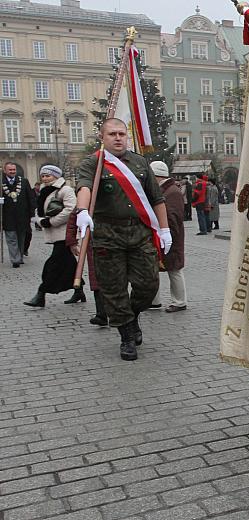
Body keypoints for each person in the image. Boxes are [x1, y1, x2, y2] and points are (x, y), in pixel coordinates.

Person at [74, 118, 172, 361]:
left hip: (139, 234)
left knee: (149, 285)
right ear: (102, 137)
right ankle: (127, 336)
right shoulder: (93, 163)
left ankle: (132, 315)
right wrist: (83, 211)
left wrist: (165, 230)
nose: (118, 138)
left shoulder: (139, 162)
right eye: (112, 134)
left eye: (121, 134)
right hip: (108, 236)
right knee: (113, 289)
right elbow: (84, 187)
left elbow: (157, 198)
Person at [23, 165, 77, 307]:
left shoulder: (65, 190)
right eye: (43, 176)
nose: (45, 178)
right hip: (54, 232)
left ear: (56, 176)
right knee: (70, 263)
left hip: (65, 233)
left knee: (52, 265)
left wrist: (50, 222)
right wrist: (41, 221)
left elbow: (71, 210)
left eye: (48, 175)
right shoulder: (44, 190)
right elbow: (39, 210)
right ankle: (79, 290)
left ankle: (41, 294)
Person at [150, 161, 187, 313]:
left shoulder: (171, 192)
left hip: (170, 236)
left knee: (174, 269)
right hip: (162, 235)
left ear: (156, 176)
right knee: (154, 268)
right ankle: (154, 300)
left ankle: (179, 302)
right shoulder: (165, 190)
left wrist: (166, 233)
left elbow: (172, 217)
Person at [65, 211, 106, 325]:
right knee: (96, 277)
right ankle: (101, 313)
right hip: (95, 241)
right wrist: (71, 241)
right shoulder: (88, 193)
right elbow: (75, 214)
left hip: (117, 240)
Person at [2, 162, 36, 267]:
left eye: (14, 170)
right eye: (10, 170)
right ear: (5, 171)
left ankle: (20, 256)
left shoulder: (24, 182)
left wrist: (32, 213)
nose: (12, 171)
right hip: (7, 216)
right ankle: (15, 260)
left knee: (21, 238)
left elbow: (31, 198)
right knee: (11, 238)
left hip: (22, 216)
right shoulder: (1, 183)